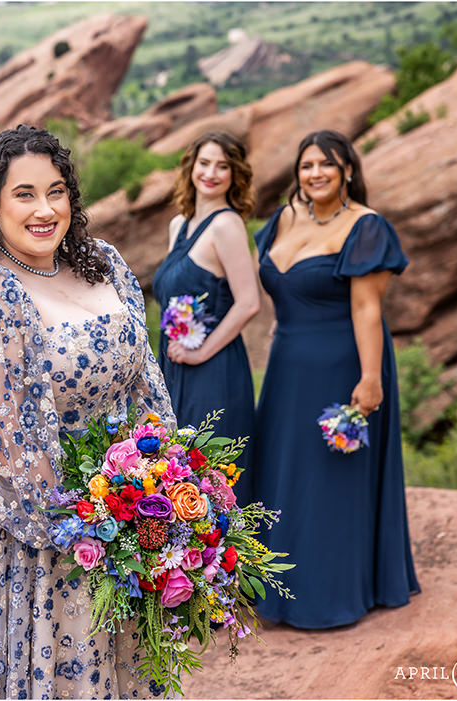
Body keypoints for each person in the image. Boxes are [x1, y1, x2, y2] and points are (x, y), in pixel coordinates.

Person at [0, 126, 175, 699]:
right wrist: (84, 525)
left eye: (56, 192)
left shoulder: (104, 263)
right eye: (24, 194)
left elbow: (147, 386)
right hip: (36, 529)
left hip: (128, 507)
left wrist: (166, 488)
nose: (44, 209)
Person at [252, 129, 420, 628]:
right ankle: (278, 592)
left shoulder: (366, 227)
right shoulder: (283, 217)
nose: (315, 173)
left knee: (331, 479)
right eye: (307, 165)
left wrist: (371, 380)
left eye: (327, 164)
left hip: (342, 363)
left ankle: (329, 595)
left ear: (348, 169)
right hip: (286, 365)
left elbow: (368, 308)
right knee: (285, 475)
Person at [152, 131, 260, 504]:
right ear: (191, 166)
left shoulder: (227, 225)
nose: (211, 173)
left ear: (235, 174)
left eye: (223, 165)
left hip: (214, 372)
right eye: (204, 163)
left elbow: (248, 302)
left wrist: (200, 353)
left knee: (212, 487)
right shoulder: (178, 225)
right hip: (176, 368)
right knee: (176, 487)